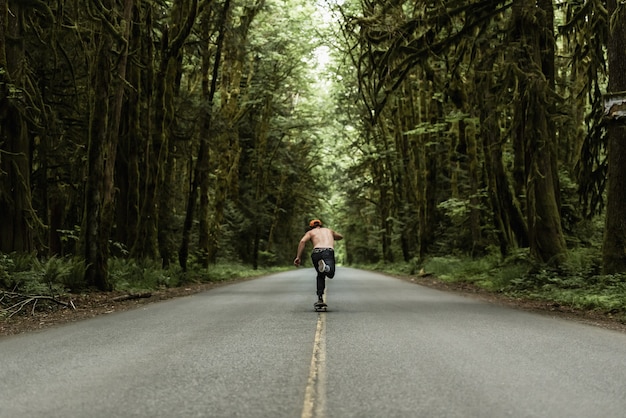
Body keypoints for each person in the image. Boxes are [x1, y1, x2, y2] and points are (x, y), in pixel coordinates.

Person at [294, 219, 343, 305]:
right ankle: (326, 268)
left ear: (311, 226)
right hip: (328, 252)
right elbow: (340, 237)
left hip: (316, 253)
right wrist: (333, 235)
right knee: (330, 274)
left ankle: (320, 298)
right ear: (321, 224)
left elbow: (302, 241)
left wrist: (298, 257)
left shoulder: (310, 232)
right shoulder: (328, 231)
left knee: (320, 275)